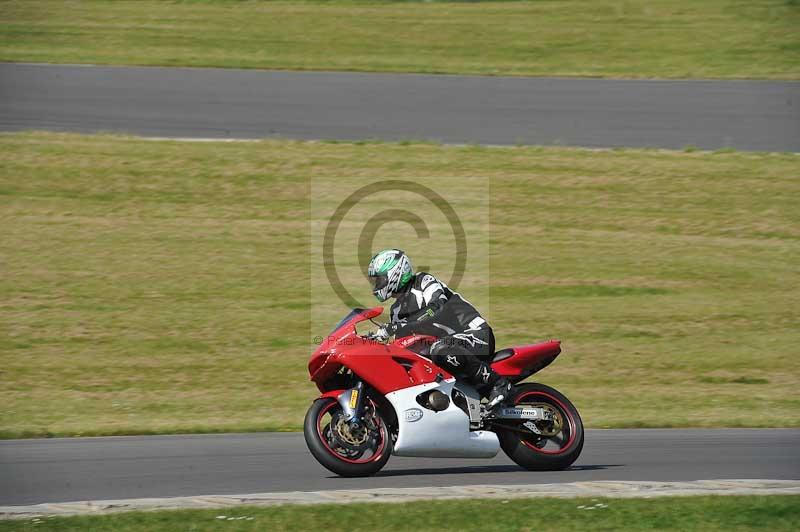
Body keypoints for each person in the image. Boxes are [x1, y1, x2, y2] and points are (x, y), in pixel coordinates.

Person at [367, 248, 512, 408]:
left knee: (440, 349)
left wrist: (397, 326)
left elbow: (437, 307)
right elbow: (402, 345)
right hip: (445, 346)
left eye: (380, 280)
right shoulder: (396, 310)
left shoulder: (423, 281)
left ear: (396, 273)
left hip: (476, 334)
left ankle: (498, 384)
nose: (377, 285)